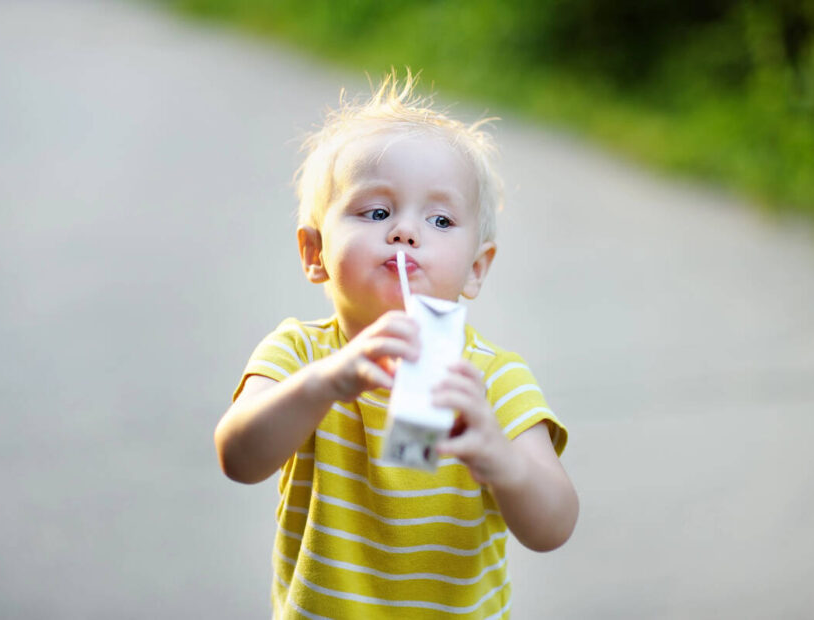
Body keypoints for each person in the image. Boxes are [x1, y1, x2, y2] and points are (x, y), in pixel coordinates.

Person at [214, 70, 579, 619]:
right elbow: (239, 458)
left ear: (476, 270)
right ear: (315, 254)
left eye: (439, 219)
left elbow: (554, 526)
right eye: (377, 212)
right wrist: (327, 383)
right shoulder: (299, 357)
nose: (406, 233)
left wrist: (500, 459)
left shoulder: (493, 381)